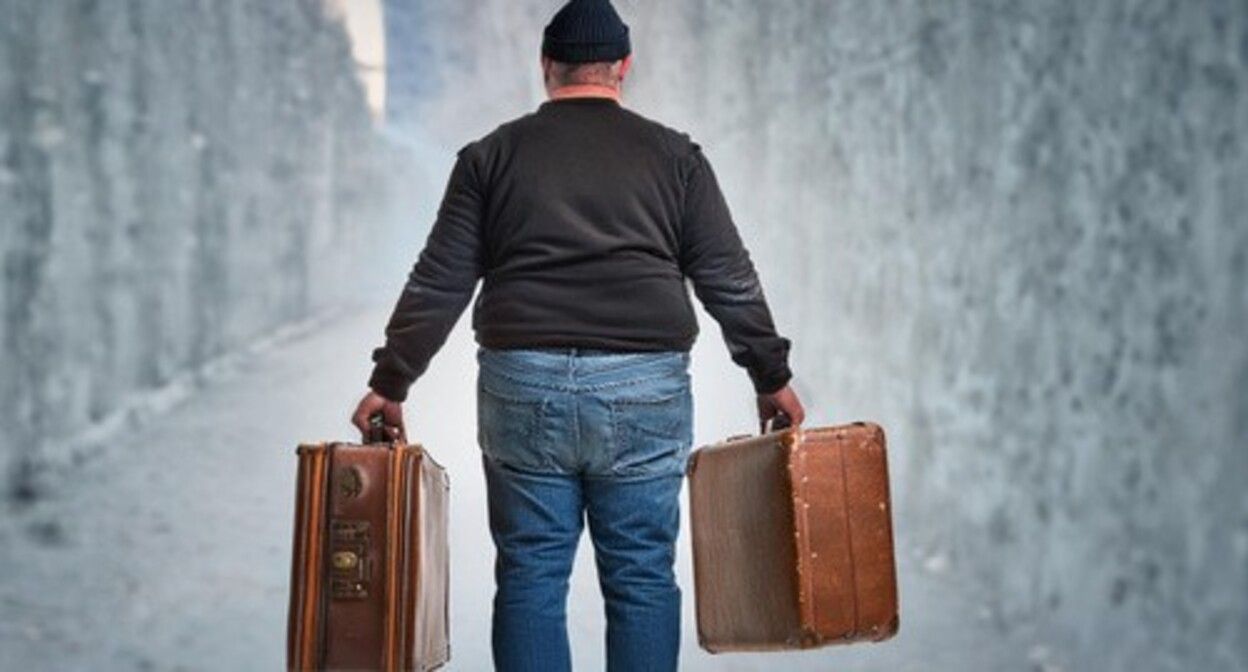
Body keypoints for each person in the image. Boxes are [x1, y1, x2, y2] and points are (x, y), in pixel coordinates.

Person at [351, 0, 804, 669]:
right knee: (643, 576)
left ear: (546, 68)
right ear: (623, 67)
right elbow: (727, 276)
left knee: (531, 575)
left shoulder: (489, 157)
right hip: (643, 389)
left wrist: (390, 381)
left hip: (522, 384)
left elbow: (440, 279)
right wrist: (771, 375)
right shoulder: (677, 158)